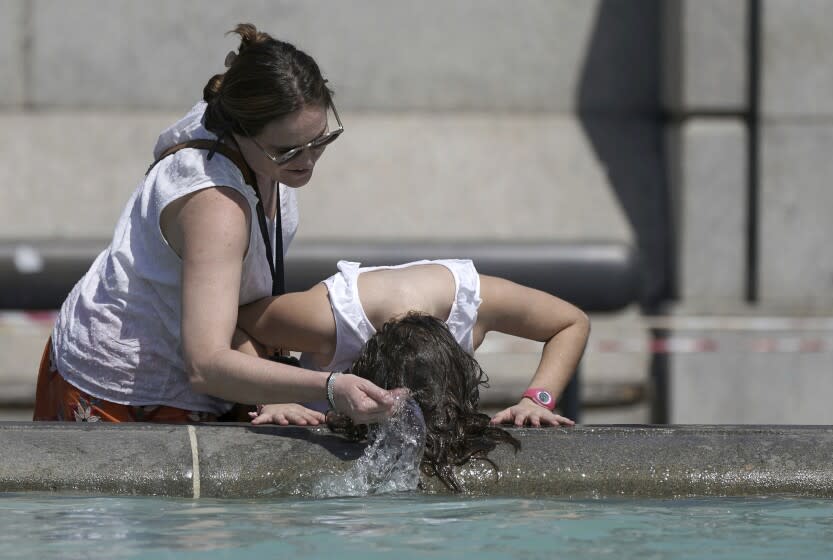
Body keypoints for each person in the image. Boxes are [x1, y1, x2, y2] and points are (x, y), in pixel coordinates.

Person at [32, 24, 397, 425]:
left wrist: (275, 389)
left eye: (321, 140)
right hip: (119, 385)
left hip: (194, 359)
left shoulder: (243, 132)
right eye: (287, 149)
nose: (308, 160)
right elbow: (206, 364)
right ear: (241, 130)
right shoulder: (216, 207)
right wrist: (327, 386)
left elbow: (232, 310)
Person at [237, 259, 590, 428]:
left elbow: (571, 322)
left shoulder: (476, 302)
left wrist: (537, 400)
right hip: (321, 413)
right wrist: (274, 397)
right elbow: (234, 324)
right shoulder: (325, 319)